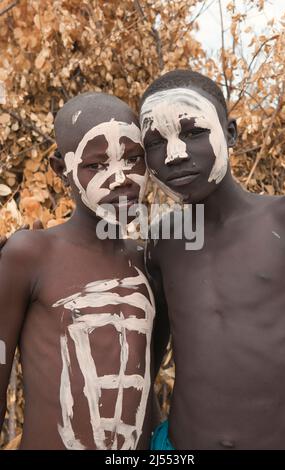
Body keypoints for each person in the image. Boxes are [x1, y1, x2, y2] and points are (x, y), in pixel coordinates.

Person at [141, 69, 285, 450]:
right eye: (155, 142)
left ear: (230, 133)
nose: (175, 154)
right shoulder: (163, 241)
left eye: (193, 132)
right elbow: (145, 356)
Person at [0, 91, 166, 450]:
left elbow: (144, 375)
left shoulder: (149, 261)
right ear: (62, 170)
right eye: (96, 165)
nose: (121, 177)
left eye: (134, 159)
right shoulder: (30, 254)